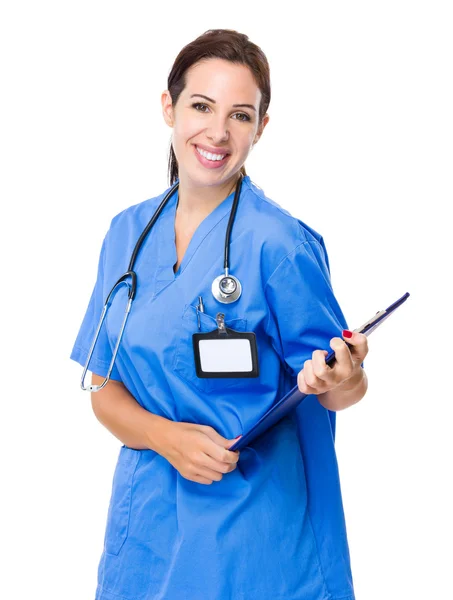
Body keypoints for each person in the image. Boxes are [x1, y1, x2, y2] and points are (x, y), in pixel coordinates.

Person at [70, 28, 368, 600]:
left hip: (261, 537)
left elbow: (336, 387)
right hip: (149, 533)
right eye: (202, 106)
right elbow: (103, 387)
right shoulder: (127, 235)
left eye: (240, 115)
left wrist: (344, 375)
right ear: (169, 107)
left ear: (261, 127)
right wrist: (166, 438)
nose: (217, 132)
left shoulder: (279, 243)